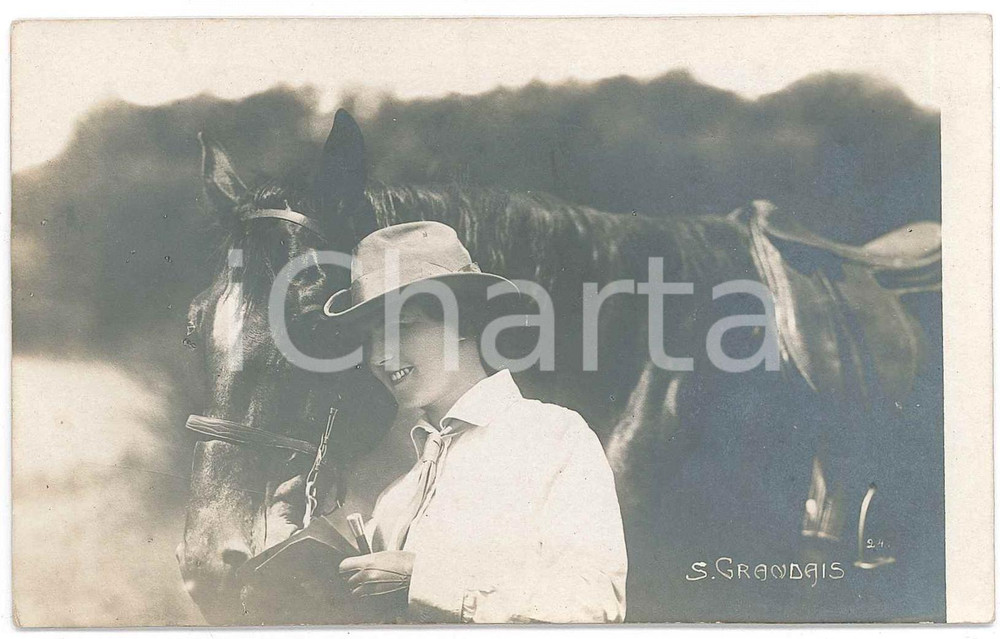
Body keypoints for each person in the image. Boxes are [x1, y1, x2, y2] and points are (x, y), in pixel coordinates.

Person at [324, 221, 627, 623]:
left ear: (465, 320)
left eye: (402, 326)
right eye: (370, 339)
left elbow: (595, 603)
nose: (380, 356)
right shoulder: (396, 498)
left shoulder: (552, 438)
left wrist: (425, 582)